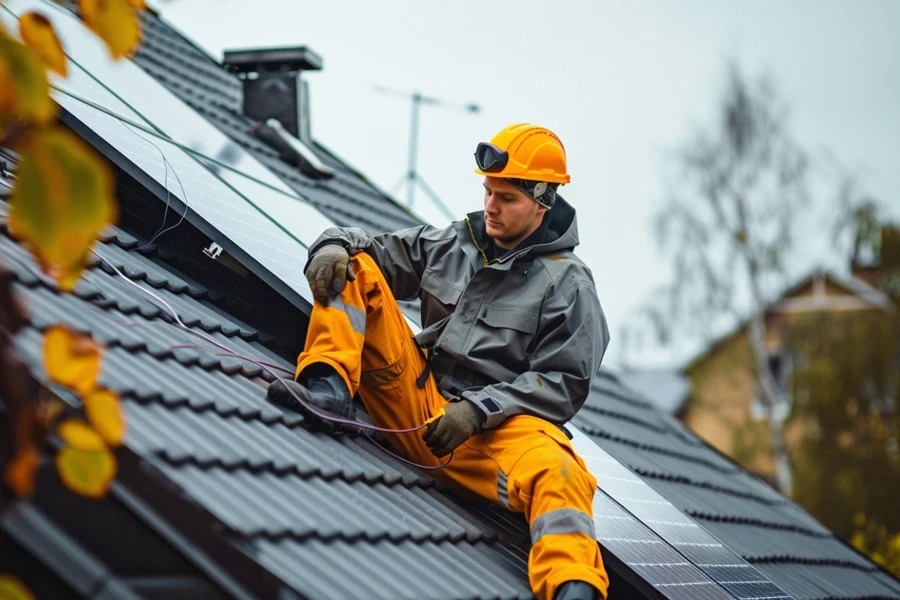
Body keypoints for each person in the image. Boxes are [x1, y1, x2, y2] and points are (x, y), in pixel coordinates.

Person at [268, 123, 610, 600]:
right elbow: (374, 252)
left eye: (506, 197)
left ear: (542, 200)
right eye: (488, 191)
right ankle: (328, 389)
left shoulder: (570, 286)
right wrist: (332, 241)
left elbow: (563, 382)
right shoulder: (456, 241)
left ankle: (572, 586)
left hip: (487, 438)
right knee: (355, 266)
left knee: (562, 470)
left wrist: (479, 411)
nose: (490, 206)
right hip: (412, 404)